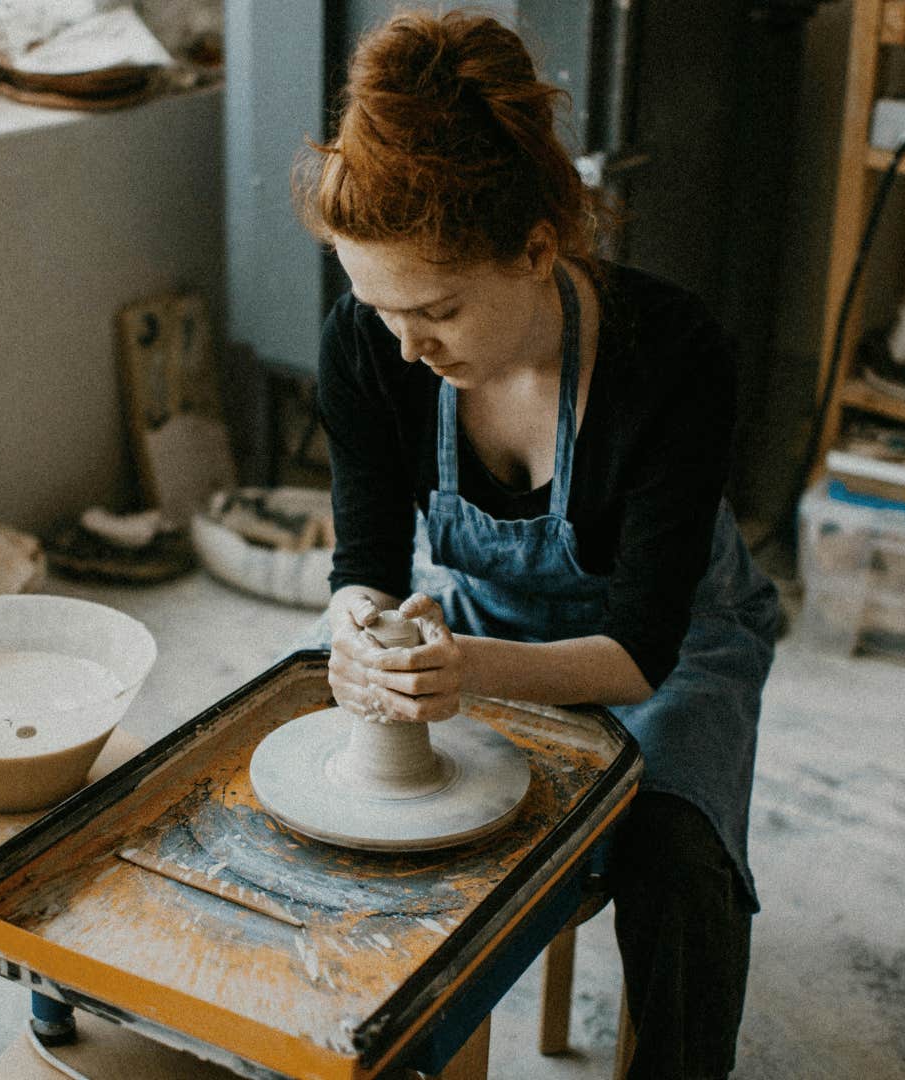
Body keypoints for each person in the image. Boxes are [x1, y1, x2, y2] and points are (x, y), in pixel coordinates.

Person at [293, 10, 783, 1078]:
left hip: (669, 647)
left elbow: (637, 651)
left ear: (537, 246)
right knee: (352, 831)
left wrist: (462, 675)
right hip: (478, 629)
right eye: (379, 311)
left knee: (675, 863)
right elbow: (364, 561)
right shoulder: (371, 351)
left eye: (438, 311)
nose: (407, 347)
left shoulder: (675, 355)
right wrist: (360, 632)